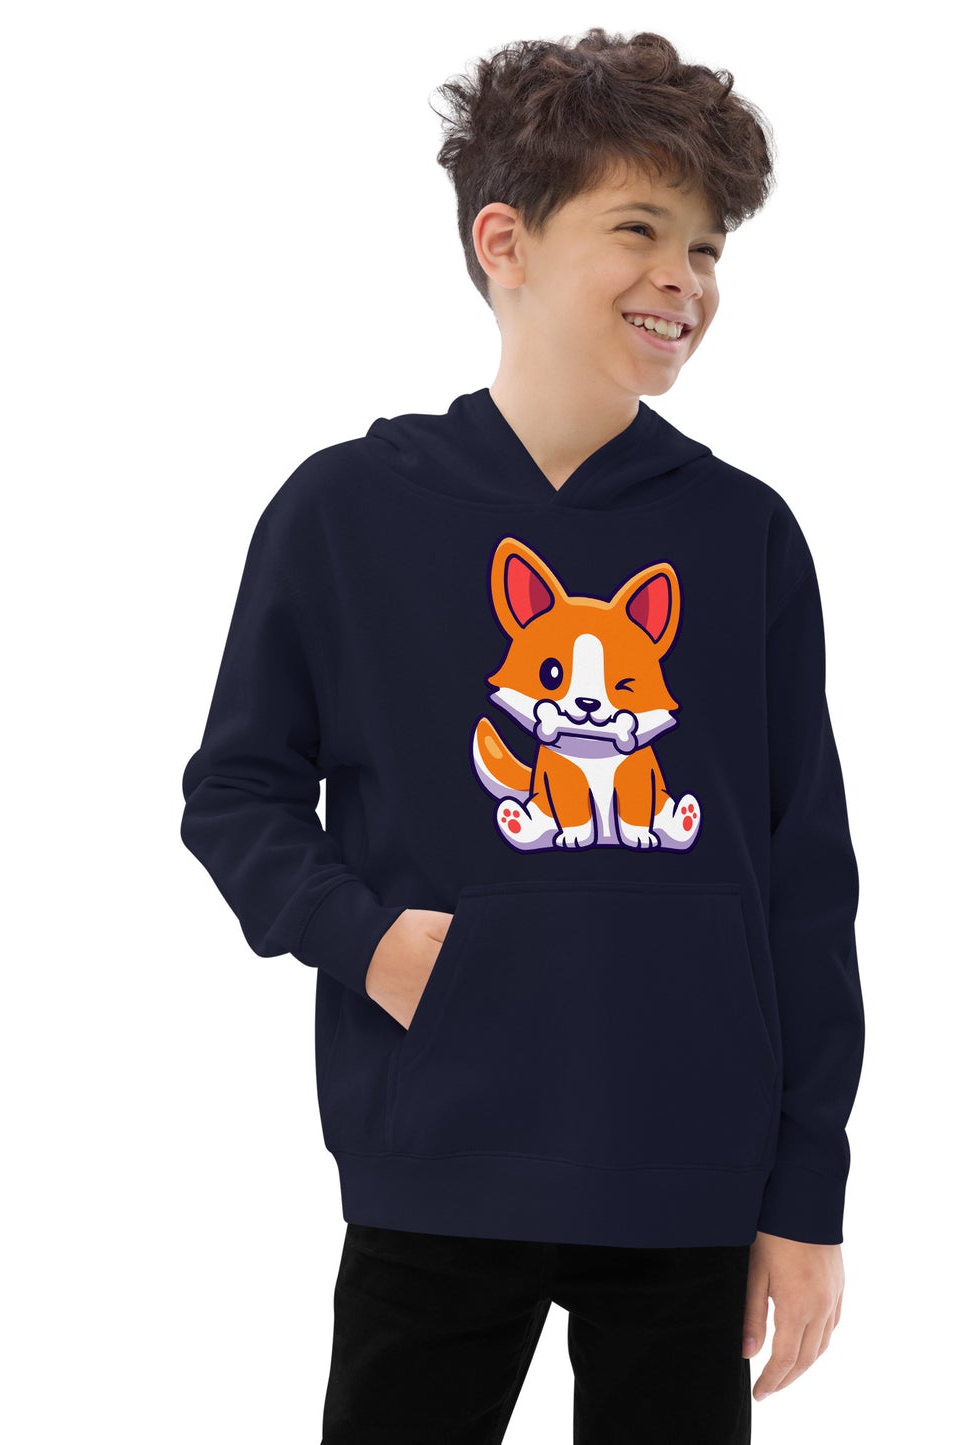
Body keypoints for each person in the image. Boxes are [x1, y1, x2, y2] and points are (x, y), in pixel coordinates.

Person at [180, 26, 865, 1445]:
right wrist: (367, 938)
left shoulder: (744, 535)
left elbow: (806, 876)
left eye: (709, 246)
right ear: (505, 242)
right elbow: (236, 788)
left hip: (690, 1165)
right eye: (641, 229)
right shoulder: (345, 511)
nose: (685, 278)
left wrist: (807, 1194)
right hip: (440, 1147)